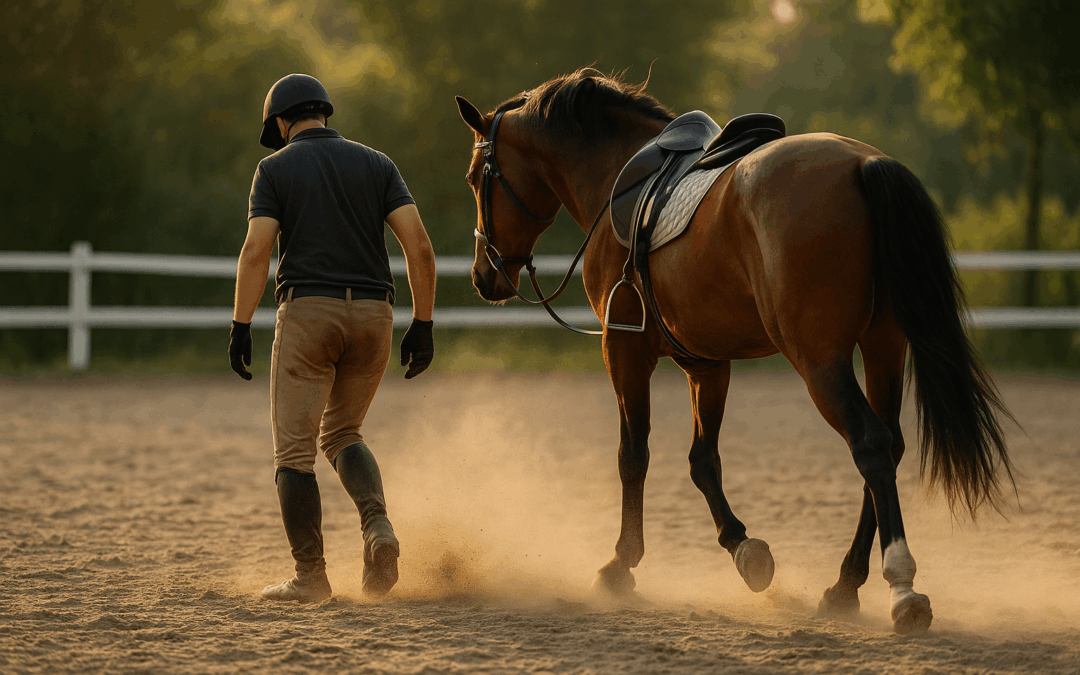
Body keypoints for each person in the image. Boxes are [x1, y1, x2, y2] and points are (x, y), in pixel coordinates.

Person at [228, 73, 436, 603]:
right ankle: (377, 527)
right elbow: (419, 247)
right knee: (343, 433)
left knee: (294, 454)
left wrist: (240, 324)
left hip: (308, 314)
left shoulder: (272, 169)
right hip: (375, 316)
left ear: (281, 121)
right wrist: (425, 323)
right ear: (324, 111)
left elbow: (256, 251)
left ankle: (310, 578)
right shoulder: (378, 163)